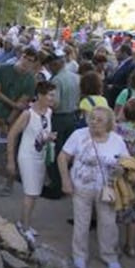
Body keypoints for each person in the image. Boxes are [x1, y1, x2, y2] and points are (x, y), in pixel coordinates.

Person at [58, 106, 130, 268]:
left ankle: (109, 256)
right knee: (81, 223)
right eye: (92, 118)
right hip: (81, 187)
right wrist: (65, 180)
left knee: (108, 224)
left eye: (99, 120)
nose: (94, 122)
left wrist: (121, 170)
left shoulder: (117, 140)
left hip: (107, 190)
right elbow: (62, 157)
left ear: (109, 124)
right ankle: (79, 257)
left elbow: (126, 163)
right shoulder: (79, 135)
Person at [7, 81, 57, 243]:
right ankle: (25, 228)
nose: (53, 98)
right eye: (50, 95)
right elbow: (12, 135)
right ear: (40, 95)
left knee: (35, 193)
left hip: (40, 156)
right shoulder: (27, 114)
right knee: (30, 193)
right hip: (27, 157)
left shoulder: (49, 111)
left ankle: (23, 222)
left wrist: (49, 138)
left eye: (53, 95)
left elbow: (44, 132)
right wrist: (10, 161)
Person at [0, 46, 37, 196]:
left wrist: (7, 121)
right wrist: (12, 104)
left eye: (31, 61)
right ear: (20, 56)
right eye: (25, 58)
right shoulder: (3, 68)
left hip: (13, 119)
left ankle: (9, 183)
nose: (26, 62)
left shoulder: (30, 79)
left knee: (11, 150)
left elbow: (22, 104)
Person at [44, 47, 80, 199]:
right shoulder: (75, 77)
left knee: (55, 152)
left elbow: (55, 103)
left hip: (58, 118)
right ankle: (66, 182)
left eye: (51, 65)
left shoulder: (57, 80)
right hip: (72, 117)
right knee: (68, 152)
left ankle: (57, 185)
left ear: (56, 64)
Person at [115, 98, 135, 258]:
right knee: (134, 210)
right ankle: (130, 245)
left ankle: (112, 245)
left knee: (114, 207)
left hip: (120, 174)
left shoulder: (118, 130)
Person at [106, 44, 135, 108]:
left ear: (124, 53)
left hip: (121, 101)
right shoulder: (120, 64)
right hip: (113, 99)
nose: (115, 53)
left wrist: (114, 87)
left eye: (117, 51)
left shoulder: (132, 66)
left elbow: (131, 85)